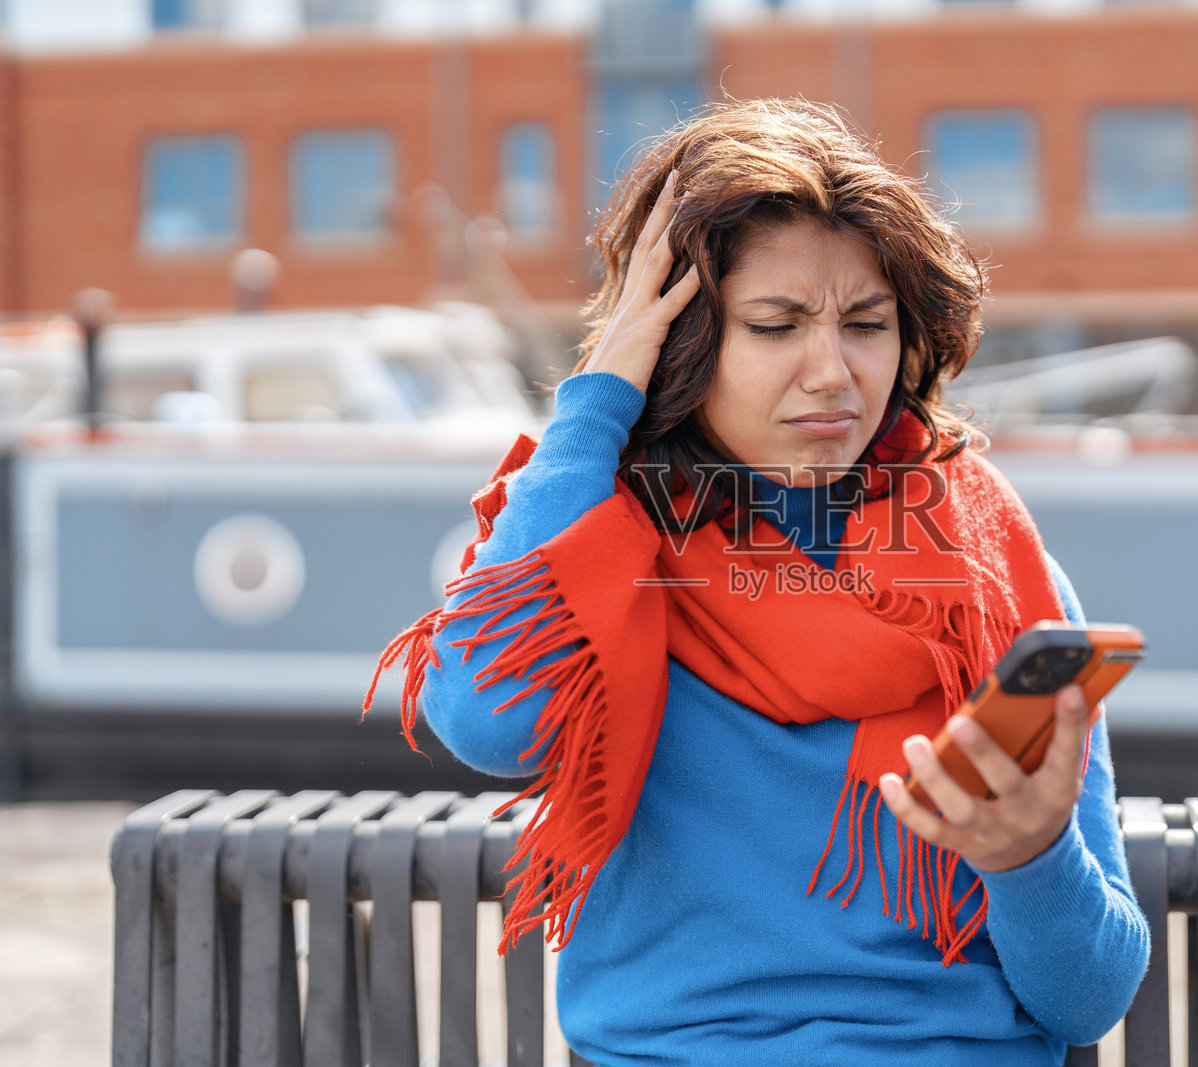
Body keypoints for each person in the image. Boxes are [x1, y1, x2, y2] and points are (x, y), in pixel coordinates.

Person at [369, 97, 1150, 1065]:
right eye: (776, 325)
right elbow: (487, 719)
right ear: (683, 343)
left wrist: (1029, 859)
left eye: (866, 323)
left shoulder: (996, 565)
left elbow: (1088, 998)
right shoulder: (605, 533)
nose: (833, 372)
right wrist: (598, 399)